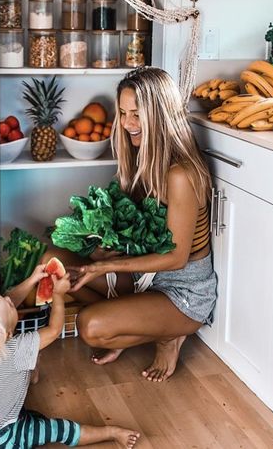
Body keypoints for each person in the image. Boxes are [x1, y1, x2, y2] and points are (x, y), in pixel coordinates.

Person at [62, 66, 217, 383]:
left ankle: (167, 335)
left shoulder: (180, 174)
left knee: (90, 326)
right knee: (55, 263)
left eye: (137, 114)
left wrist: (104, 269)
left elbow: (176, 258)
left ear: (161, 113)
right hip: (147, 279)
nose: (128, 124)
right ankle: (132, 321)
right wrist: (100, 252)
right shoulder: (139, 159)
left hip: (182, 293)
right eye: (123, 113)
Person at [0, 265, 140, 449]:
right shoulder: (17, 349)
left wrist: (32, 280)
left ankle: (30, 376)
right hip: (6, 437)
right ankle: (111, 432)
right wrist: (57, 294)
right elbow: (55, 330)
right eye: (8, 306)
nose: (8, 299)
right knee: (60, 429)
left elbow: (10, 301)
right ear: (6, 334)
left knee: (25, 364)